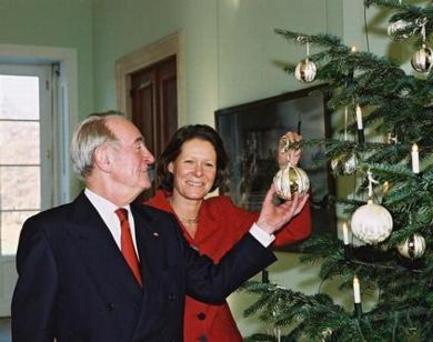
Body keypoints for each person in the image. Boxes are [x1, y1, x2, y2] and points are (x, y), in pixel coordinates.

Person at [11, 112, 308, 342]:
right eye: (138, 147)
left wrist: (265, 225)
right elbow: (32, 333)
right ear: (105, 158)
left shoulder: (160, 226)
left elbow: (213, 284)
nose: (150, 157)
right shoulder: (50, 233)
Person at [145, 125, 312, 341]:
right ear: (170, 165)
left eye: (208, 164)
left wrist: (287, 171)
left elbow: (296, 229)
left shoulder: (223, 213)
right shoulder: (145, 218)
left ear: (217, 173)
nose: (198, 172)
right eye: (189, 162)